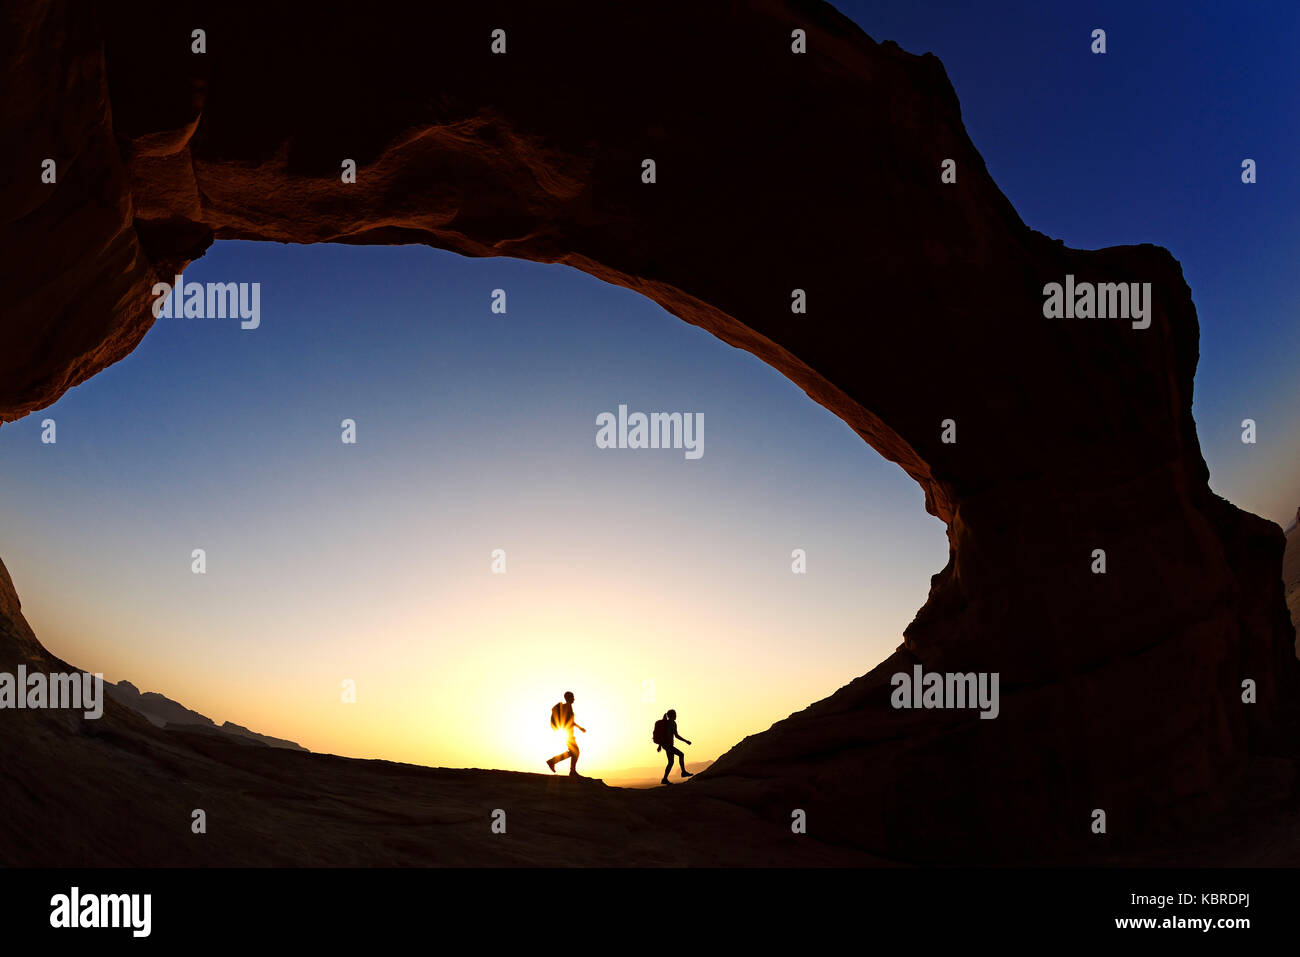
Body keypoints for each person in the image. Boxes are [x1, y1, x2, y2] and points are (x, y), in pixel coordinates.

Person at [546, 691, 586, 777]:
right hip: (568, 734)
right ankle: (571, 771)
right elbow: (568, 721)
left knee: (574, 752)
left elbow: (571, 721)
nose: (574, 699)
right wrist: (578, 728)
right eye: (572, 697)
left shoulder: (568, 707)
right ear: (569, 698)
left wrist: (580, 728)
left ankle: (553, 762)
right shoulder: (567, 706)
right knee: (575, 752)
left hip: (568, 733)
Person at [657, 709, 692, 785]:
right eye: (675, 714)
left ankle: (664, 779)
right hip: (668, 745)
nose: (676, 716)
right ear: (673, 715)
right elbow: (676, 735)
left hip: (665, 745)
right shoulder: (672, 723)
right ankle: (683, 772)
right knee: (681, 755)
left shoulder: (666, 723)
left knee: (671, 762)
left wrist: (660, 745)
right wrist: (686, 741)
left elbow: (663, 735)